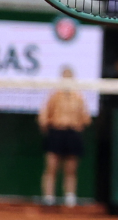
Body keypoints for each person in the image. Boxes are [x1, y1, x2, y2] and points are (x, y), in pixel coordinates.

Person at [37, 67, 90, 207]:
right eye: (64, 77)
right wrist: (50, 130)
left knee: (71, 169)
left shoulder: (79, 97)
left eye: (69, 77)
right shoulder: (54, 95)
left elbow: (86, 118)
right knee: (51, 167)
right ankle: (48, 197)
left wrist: (77, 127)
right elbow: (43, 117)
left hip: (72, 133)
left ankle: (70, 197)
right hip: (56, 132)